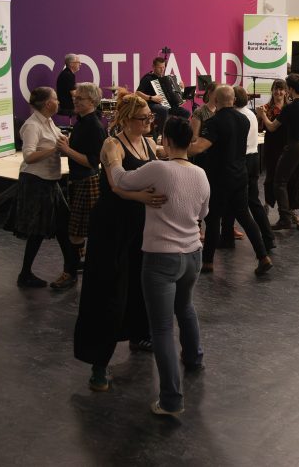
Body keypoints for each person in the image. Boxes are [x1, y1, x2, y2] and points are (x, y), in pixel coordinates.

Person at [106, 117, 210, 417]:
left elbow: (122, 180)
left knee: (162, 328)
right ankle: (193, 358)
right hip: (192, 255)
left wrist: (113, 159)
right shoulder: (201, 174)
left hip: (161, 258)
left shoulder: (158, 169)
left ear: (165, 139)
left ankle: (171, 400)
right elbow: (202, 212)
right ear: (190, 141)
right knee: (186, 309)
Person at [73, 94, 159, 392]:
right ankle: (99, 363)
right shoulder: (112, 144)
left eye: (150, 117)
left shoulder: (149, 144)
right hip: (112, 226)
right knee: (109, 291)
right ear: (126, 119)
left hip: (139, 224)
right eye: (144, 118)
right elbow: (116, 185)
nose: (149, 122)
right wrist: (144, 197)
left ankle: (138, 333)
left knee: (138, 283)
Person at [190, 85, 272, 275]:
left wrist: (173, 150)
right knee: (244, 216)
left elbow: (200, 147)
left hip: (218, 177)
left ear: (216, 101)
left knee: (213, 219)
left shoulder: (214, 122)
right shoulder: (243, 119)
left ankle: (208, 262)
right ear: (233, 100)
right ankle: (263, 256)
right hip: (239, 174)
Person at [7, 87, 78, 289]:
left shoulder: (47, 121)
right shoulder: (32, 126)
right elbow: (28, 156)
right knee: (40, 230)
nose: (58, 102)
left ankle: (69, 266)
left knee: (60, 225)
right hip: (36, 181)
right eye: (55, 99)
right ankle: (27, 273)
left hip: (48, 181)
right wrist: (55, 148)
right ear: (48, 104)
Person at [56, 82, 107, 272]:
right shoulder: (82, 121)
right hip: (79, 180)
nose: (75, 101)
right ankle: (77, 264)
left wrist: (67, 150)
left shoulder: (94, 126)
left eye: (80, 99)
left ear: (92, 101)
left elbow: (93, 162)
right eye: (75, 98)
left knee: (76, 232)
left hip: (87, 180)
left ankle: (72, 269)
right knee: (77, 230)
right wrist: (70, 144)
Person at [259, 73, 299, 234]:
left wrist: (262, 115)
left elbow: (271, 127)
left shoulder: (290, 108)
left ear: (290, 89)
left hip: (295, 146)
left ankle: (285, 218)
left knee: (279, 181)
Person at [227, 86, 275, 252]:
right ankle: (268, 238)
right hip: (253, 158)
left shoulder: (238, 116)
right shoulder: (251, 114)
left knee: (245, 201)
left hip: (242, 160)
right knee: (250, 200)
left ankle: (266, 239)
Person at [136, 56, 190, 135]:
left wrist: (180, 88)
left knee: (186, 113)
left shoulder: (165, 79)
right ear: (153, 67)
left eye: (163, 67)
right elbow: (137, 93)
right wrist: (151, 98)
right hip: (151, 104)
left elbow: (172, 95)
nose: (162, 70)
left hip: (166, 104)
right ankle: (163, 135)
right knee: (164, 110)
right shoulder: (147, 78)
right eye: (159, 67)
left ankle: (176, 133)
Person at [259, 79, 289, 210]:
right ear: (272, 90)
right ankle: (267, 204)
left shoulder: (290, 107)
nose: (278, 92)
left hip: (287, 146)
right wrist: (259, 116)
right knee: (270, 176)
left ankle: (290, 209)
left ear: (286, 91)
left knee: (289, 177)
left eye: (281, 89)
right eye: (276, 89)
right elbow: (260, 127)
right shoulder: (265, 108)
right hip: (272, 146)